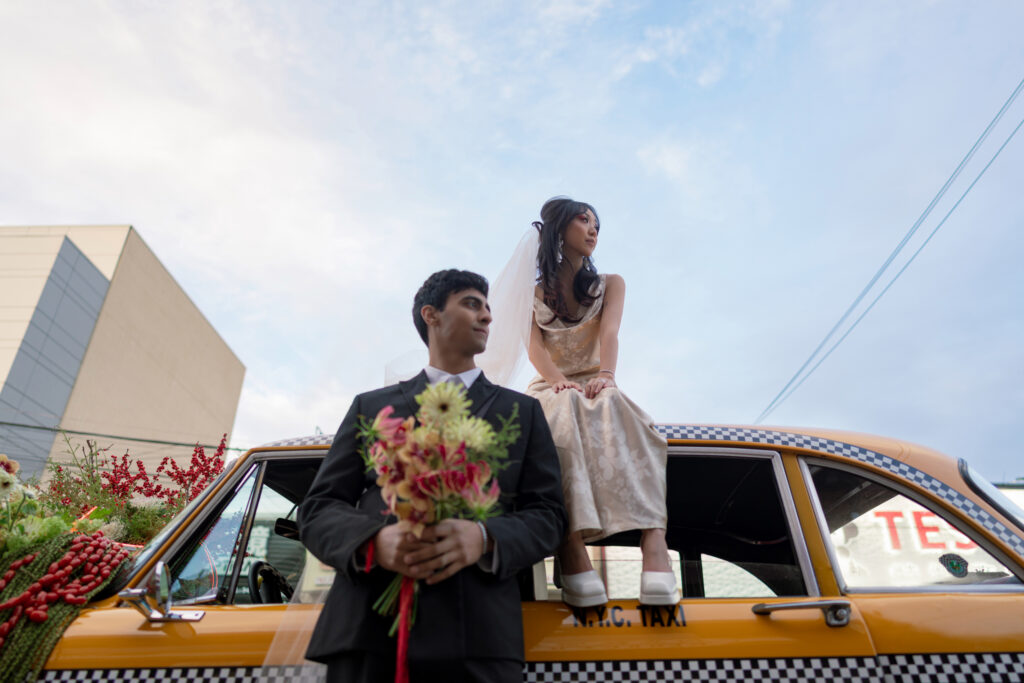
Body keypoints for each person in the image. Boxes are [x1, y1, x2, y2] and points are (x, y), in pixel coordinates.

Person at [298, 269, 567, 683]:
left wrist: (483, 538)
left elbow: (549, 516)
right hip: (368, 633)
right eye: (472, 303)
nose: (487, 317)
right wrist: (374, 541)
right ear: (432, 315)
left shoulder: (523, 413)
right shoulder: (371, 406)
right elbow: (317, 509)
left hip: (478, 640)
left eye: (489, 307)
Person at [524, 197, 676, 608]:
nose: (593, 230)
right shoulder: (529, 291)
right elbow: (533, 348)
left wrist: (606, 376)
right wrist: (558, 382)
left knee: (618, 410)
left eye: (597, 224)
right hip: (550, 385)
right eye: (583, 220)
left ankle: (654, 540)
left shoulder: (611, 283)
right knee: (559, 415)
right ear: (559, 229)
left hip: (596, 377)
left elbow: (609, 335)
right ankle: (571, 546)